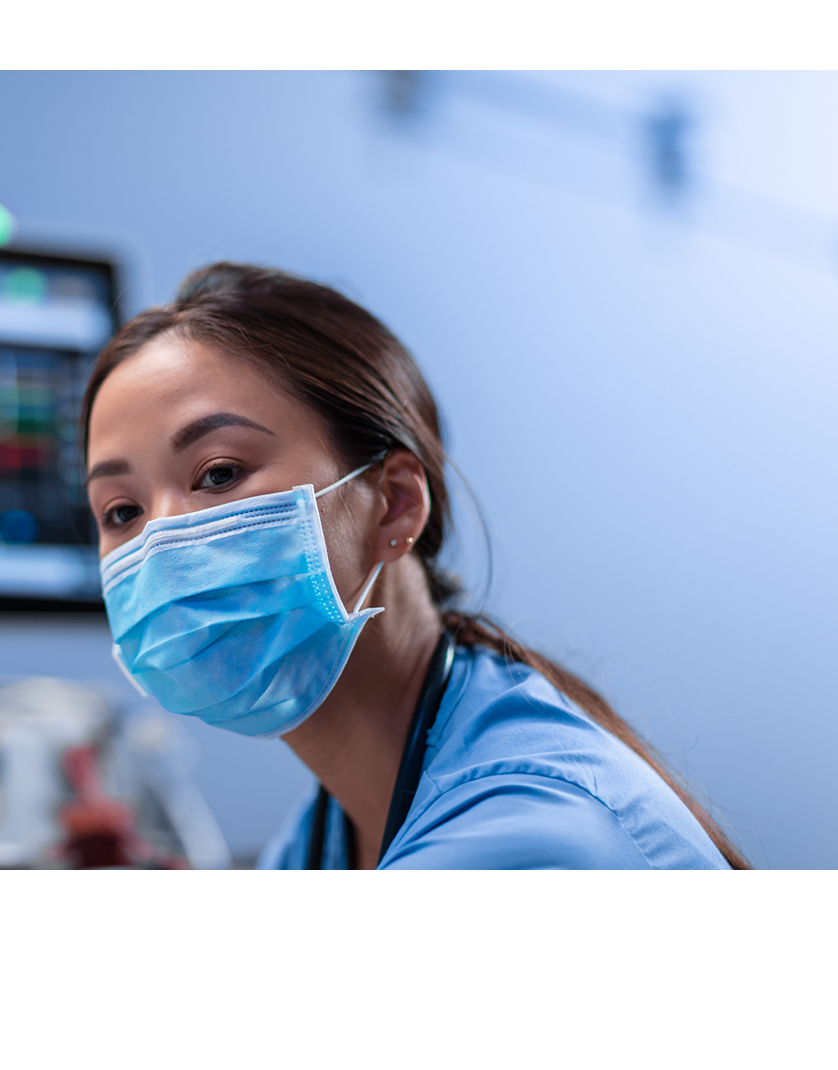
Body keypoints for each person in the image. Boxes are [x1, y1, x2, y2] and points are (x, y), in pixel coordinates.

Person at [81, 262, 749, 870]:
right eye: (121, 511)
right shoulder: (323, 834)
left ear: (395, 503)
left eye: (219, 473)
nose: (161, 541)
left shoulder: (528, 838)